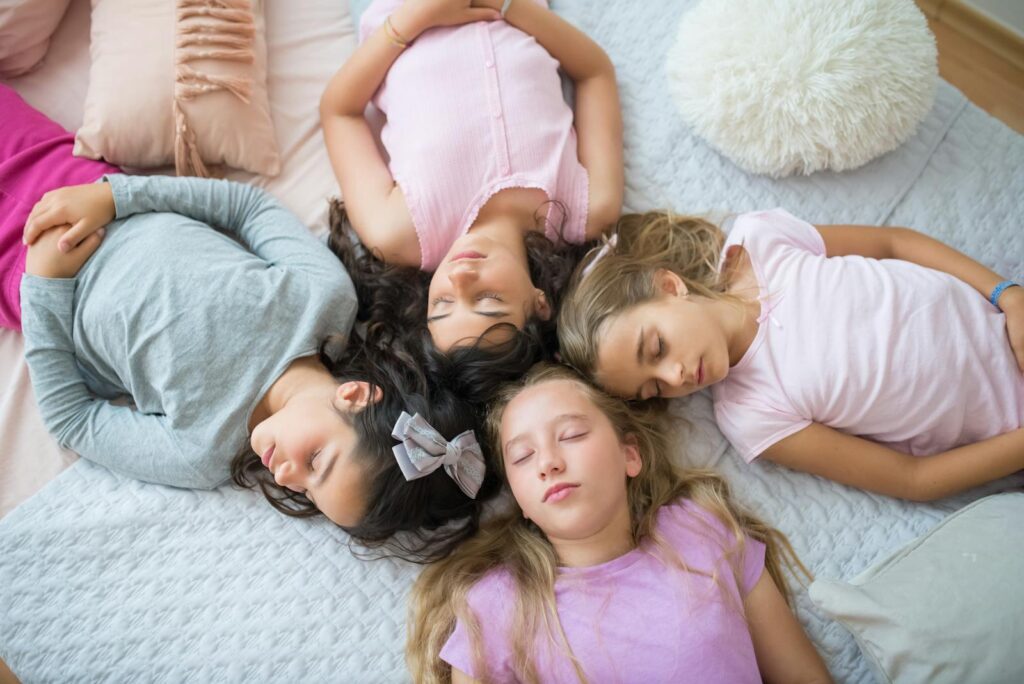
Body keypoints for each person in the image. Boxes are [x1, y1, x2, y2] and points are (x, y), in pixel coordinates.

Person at [7, 85, 496, 560]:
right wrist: (114, 197)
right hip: (75, 184)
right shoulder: (323, 300)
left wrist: (44, 281)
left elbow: (74, 421)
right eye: (316, 462)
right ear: (355, 396)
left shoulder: (203, 451)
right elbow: (248, 208)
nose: (285, 477)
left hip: (22, 272)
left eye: (306, 492)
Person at [558, 208, 1024, 501]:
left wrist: (1008, 295)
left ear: (669, 285)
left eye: (657, 348)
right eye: (654, 388)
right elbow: (912, 480)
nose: (674, 377)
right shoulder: (751, 415)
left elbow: (894, 243)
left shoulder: (760, 240)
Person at [408, 364, 830, 683]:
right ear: (521, 502)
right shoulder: (497, 608)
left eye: (571, 435)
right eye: (522, 457)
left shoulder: (700, 528)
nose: (548, 463)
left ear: (630, 455)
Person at [320, 0, 622, 353]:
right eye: (488, 300)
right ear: (540, 304)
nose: (459, 278)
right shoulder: (587, 209)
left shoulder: (397, 231)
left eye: (442, 304)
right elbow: (595, 73)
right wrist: (506, 6)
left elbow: (339, 111)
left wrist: (416, 17)